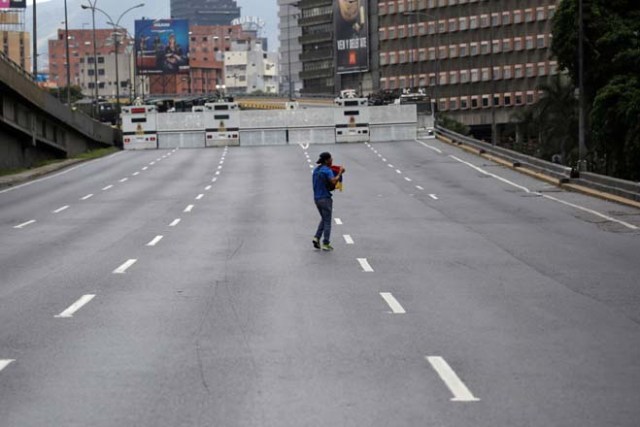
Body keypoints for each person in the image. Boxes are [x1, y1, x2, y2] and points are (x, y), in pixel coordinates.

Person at [312, 152, 344, 251]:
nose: (332, 160)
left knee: (324, 218)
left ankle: (316, 237)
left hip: (317, 199)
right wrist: (340, 173)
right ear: (326, 160)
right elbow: (333, 181)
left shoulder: (316, 170)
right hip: (325, 198)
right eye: (330, 159)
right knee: (327, 222)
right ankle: (326, 243)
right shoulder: (327, 170)